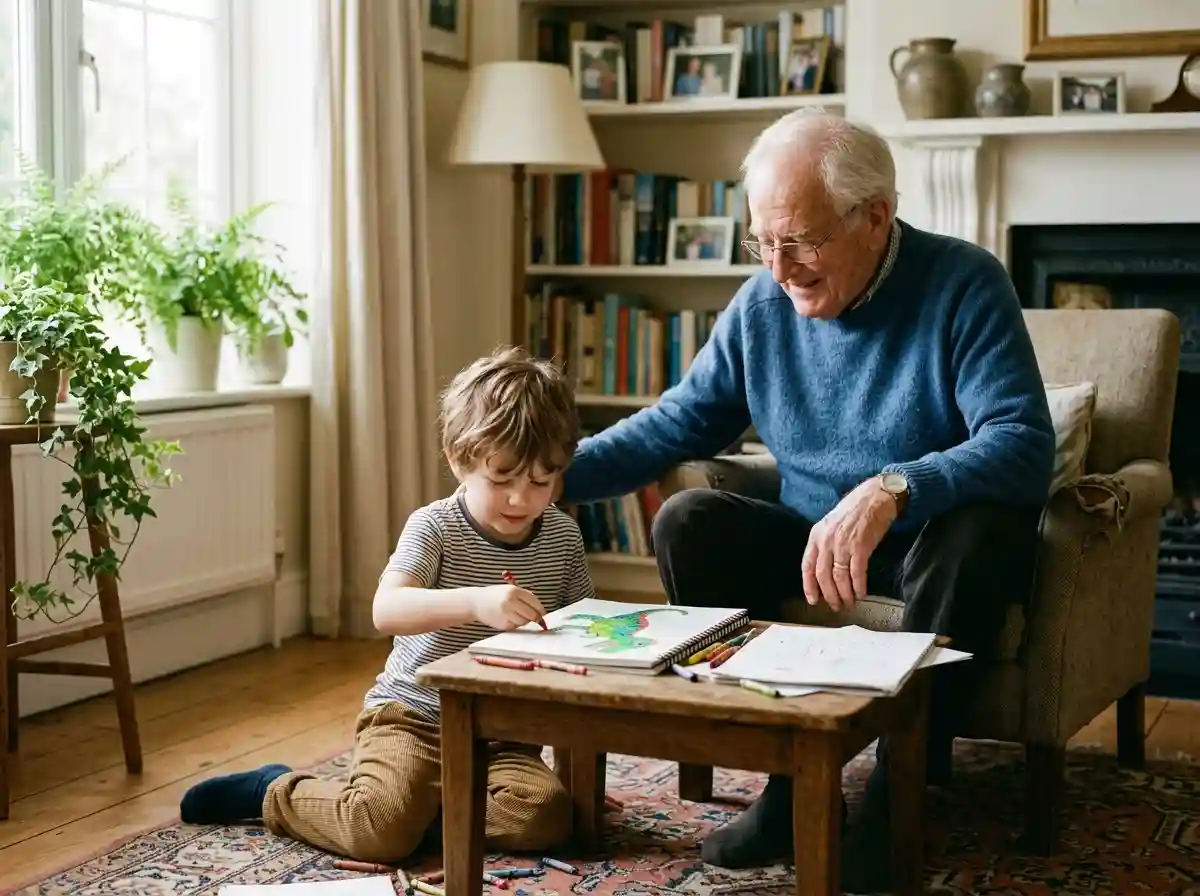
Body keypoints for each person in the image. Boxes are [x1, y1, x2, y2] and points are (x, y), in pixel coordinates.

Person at [557, 107, 1055, 892]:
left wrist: (896, 486)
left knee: (980, 531)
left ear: (876, 217)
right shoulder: (762, 307)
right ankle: (785, 784)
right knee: (691, 519)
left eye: (803, 240)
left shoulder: (964, 282)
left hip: (932, 548)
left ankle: (899, 798)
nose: (781, 267)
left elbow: (1024, 442)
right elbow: (679, 422)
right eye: (765, 241)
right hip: (816, 543)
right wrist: (547, 474)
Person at [180, 347, 595, 864]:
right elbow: (387, 609)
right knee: (375, 831)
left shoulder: (561, 536)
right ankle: (273, 790)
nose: (520, 499)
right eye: (502, 479)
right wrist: (475, 603)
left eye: (541, 481)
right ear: (458, 460)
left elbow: (584, 629)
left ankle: (424, 816)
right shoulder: (435, 526)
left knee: (547, 817)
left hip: (506, 734)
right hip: (414, 718)